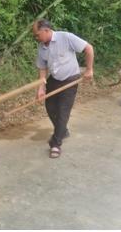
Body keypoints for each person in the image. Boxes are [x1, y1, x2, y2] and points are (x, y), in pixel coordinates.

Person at [33, 19, 94, 159]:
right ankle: (62, 130)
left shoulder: (65, 37)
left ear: (46, 30)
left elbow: (88, 48)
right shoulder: (41, 47)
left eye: (37, 34)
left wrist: (89, 69)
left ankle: (56, 143)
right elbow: (42, 68)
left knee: (63, 111)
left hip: (71, 78)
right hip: (54, 79)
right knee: (50, 107)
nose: (36, 38)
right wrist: (41, 88)